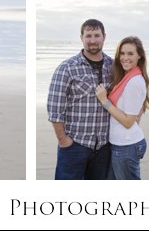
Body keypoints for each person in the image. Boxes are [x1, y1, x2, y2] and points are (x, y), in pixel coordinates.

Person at [47, 19, 113, 179]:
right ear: (81, 38)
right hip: (75, 145)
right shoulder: (67, 67)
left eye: (97, 35)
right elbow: (54, 108)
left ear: (104, 37)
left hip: (104, 147)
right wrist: (63, 140)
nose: (93, 40)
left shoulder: (113, 66)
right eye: (88, 35)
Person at [95, 36, 149, 180]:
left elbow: (128, 122)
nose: (125, 58)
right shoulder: (126, 78)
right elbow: (136, 113)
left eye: (130, 54)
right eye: (122, 53)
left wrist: (104, 101)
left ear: (139, 56)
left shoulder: (134, 82)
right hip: (122, 145)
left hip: (126, 146)